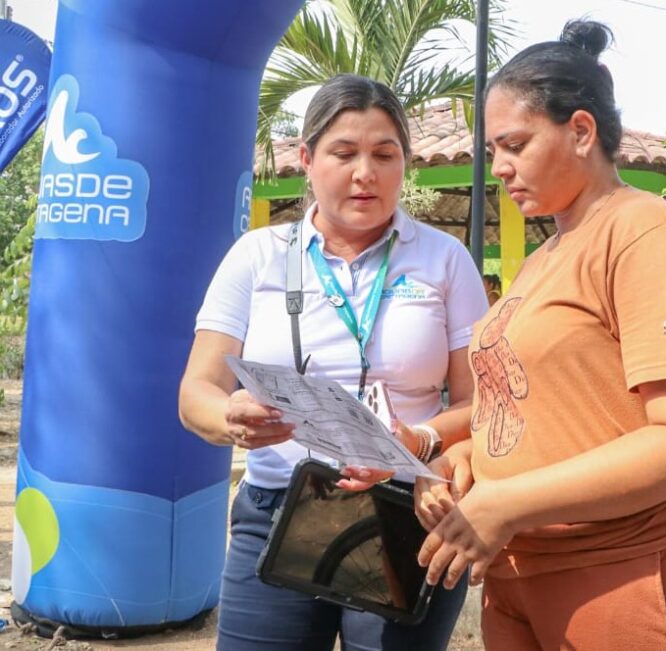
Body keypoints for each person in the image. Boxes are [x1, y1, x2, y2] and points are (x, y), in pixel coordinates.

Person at [414, 20, 666, 650]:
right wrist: (462, 457)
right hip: (526, 575)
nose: (501, 168)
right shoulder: (546, 257)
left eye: (515, 145)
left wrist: (505, 503)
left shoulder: (648, 238)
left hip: (626, 575)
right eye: (493, 152)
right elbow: (537, 403)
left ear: (582, 131)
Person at [178, 74, 488, 651]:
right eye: (344, 153)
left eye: (384, 154)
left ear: (405, 164)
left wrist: (417, 440)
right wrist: (231, 418)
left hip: (406, 514)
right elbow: (197, 389)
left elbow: (483, 405)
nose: (364, 172)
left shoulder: (445, 260)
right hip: (278, 510)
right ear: (306, 158)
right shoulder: (257, 256)